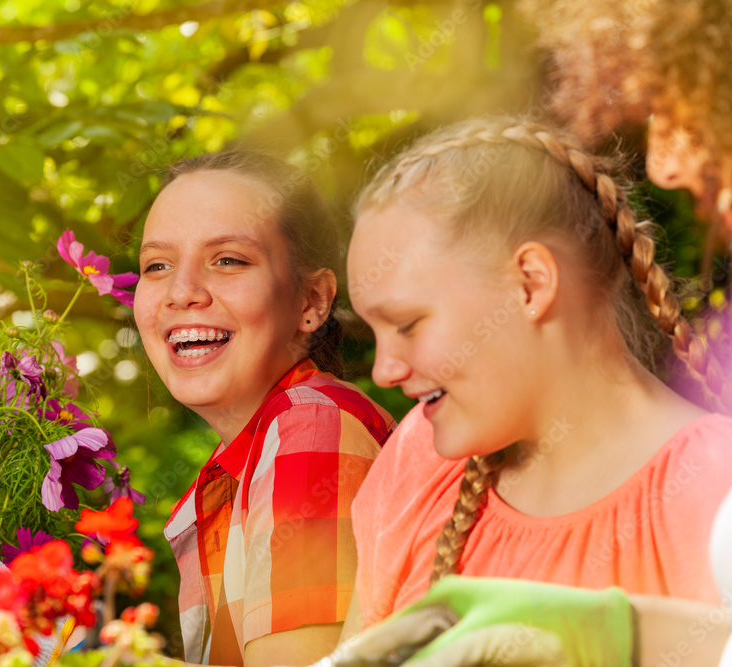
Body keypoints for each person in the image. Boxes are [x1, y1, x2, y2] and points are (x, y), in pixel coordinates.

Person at [333, 117, 732, 664]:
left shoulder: (713, 491)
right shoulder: (420, 460)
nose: (384, 370)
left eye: (406, 324)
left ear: (530, 284)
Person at [133, 150, 395, 667]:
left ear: (312, 301)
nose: (181, 292)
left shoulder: (310, 426)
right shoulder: (252, 454)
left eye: (228, 259)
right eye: (156, 266)